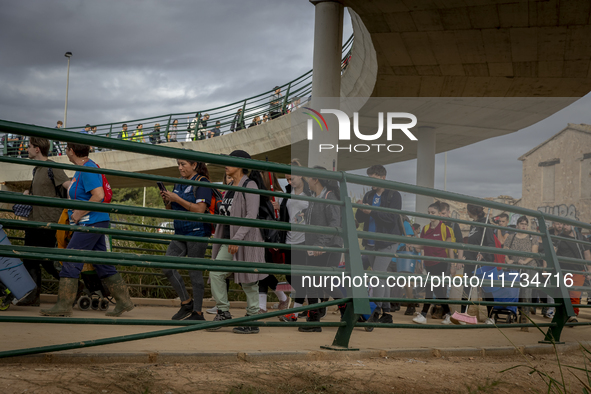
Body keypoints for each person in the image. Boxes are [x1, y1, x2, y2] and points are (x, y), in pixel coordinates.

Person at [40, 142, 134, 317]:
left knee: (70, 259)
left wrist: (77, 213)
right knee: (102, 263)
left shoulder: (87, 169)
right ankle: (124, 301)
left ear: (72, 151)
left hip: (90, 222)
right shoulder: (82, 169)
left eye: (67, 149)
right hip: (95, 222)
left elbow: (98, 195)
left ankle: (64, 305)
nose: (66, 152)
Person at [207, 150, 267, 334]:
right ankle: (223, 311)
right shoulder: (232, 186)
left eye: (230, 162)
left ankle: (252, 318)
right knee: (216, 273)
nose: (225, 164)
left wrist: (237, 239)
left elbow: (251, 216)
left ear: (240, 165)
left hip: (245, 240)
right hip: (228, 240)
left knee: (249, 281)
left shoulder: (251, 185)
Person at [17, 137, 71, 306]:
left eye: (30, 146)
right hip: (34, 221)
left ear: (37, 149)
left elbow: (68, 185)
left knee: (47, 261)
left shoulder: (52, 167)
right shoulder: (37, 169)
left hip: (48, 222)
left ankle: (76, 287)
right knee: (29, 259)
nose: (27, 149)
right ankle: (33, 296)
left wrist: (72, 213)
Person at [159, 159, 213, 321]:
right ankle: (186, 302)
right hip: (180, 231)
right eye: (178, 164)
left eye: (183, 164)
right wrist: (168, 199)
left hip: (197, 232)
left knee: (195, 273)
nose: (180, 167)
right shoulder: (179, 182)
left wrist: (177, 198)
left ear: (194, 165)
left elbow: (200, 210)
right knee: (167, 266)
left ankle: (198, 312)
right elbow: (171, 208)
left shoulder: (203, 183)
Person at [298, 167, 344, 333]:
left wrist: (321, 245)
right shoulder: (313, 197)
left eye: (309, 178)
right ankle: (313, 319)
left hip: (329, 246)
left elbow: (334, 224)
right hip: (313, 245)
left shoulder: (329, 197)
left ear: (315, 179)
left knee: (326, 283)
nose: (307, 180)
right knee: (311, 281)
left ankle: (347, 311)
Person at [355, 165, 402, 325]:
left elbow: (391, 218)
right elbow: (361, 219)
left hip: (387, 242)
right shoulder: (369, 195)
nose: (370, 181)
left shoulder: (394, 195)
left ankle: (374, 311)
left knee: (377, 276)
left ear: (383, 177)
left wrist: (372, 211)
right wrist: (361, 209)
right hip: (371, 242)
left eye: (373, 178)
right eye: (369, 178)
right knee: (381, 277)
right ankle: (387, 313)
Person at [412, 201, 455, 325]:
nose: (431, 215)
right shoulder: (425, 229)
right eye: (429, 213)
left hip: (440, 262)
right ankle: (448, 314)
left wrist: (452, 265)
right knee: (438, 290)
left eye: (433, 212)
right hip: (429, 263)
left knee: (431, 288)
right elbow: (421, 246)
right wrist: (411, 242)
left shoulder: (445, 229)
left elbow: (450, 248)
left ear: (439, 213)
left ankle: (424, 314)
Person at [278, 159, 311, 322]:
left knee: (300, 277)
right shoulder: (287, 193)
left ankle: (295, 313)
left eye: (292, 178)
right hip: (288, 240)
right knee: (290, 276)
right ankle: (305, 306)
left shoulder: (310, 194)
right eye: (287, 179)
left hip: (304, 241)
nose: (289, 181)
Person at [257, 172, 290, 313]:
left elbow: (287, 215)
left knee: (263, 270)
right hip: (261, 236)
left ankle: (262, 305)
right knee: (263, 270)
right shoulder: (261, 193)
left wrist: (279, 209)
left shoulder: (277, 194)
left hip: (271, 238)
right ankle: (281, 298)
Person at [457, 204, 496, 323]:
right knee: (466, 288)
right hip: (470, 260)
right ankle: (463, 314)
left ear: (471, 211)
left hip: (482, 262)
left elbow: (491, 243)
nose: (466, 212)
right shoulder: (473, 224)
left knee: (486, 290)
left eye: (467, 210)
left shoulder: (485, 223)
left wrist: (483, 254)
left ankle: (491, 317)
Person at [503, 215, 540, 332]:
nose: (523, 226)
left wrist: (524, 261)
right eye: (521, 223)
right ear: (517, 225)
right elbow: (504, 250)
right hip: (514, 267)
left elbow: (534, 253)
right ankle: (513, 314)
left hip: (528, 266)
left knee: (526, 292)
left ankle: (525, 320)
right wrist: (508, 260)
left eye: (525, 224)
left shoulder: (532, 237)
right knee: (513, 292)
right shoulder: (511, 237)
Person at [554, 223, 590, 325]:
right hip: (563, 270)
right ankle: (561, 314)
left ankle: (572, 315)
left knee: (575, 294)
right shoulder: (559, 238)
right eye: (563, 225)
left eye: (567, 225)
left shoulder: (581, 238)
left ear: (573, 226)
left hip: (579, 271)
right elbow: (553, 251)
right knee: (563, 294)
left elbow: (587, 254)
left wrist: (589, 270)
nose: (564, 227)